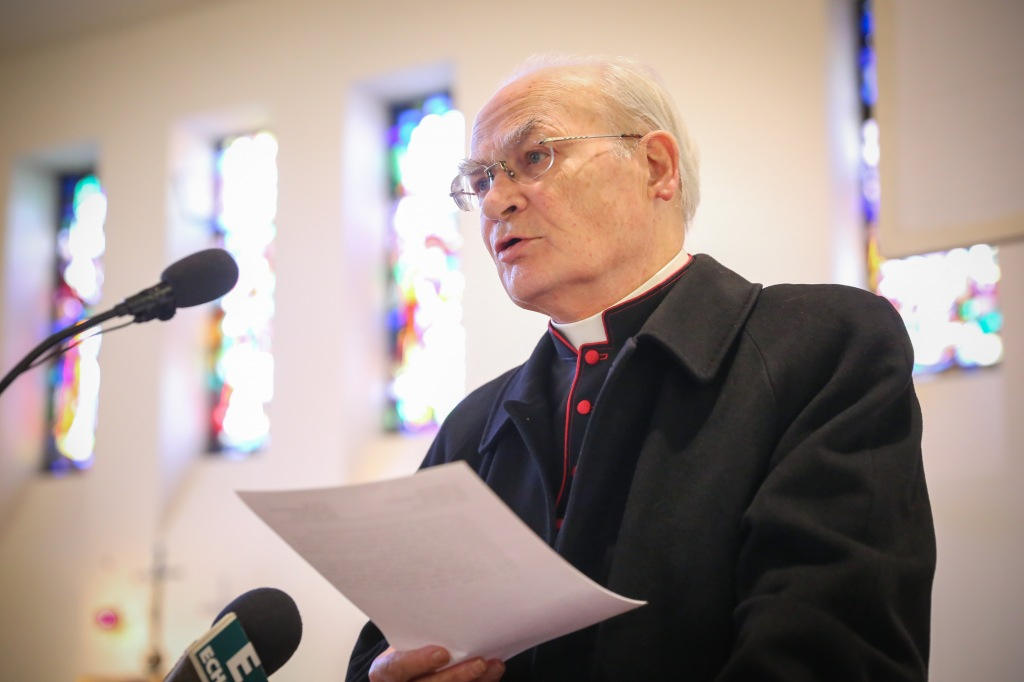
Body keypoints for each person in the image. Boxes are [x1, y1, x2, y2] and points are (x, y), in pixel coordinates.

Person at [346, 54, 935, 682]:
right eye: (482, 179)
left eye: (535, 157)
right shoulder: (471, 427)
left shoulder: (821, 345)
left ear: (656, 167)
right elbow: (382, 651)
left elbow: (831, 650)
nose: (495, 201)